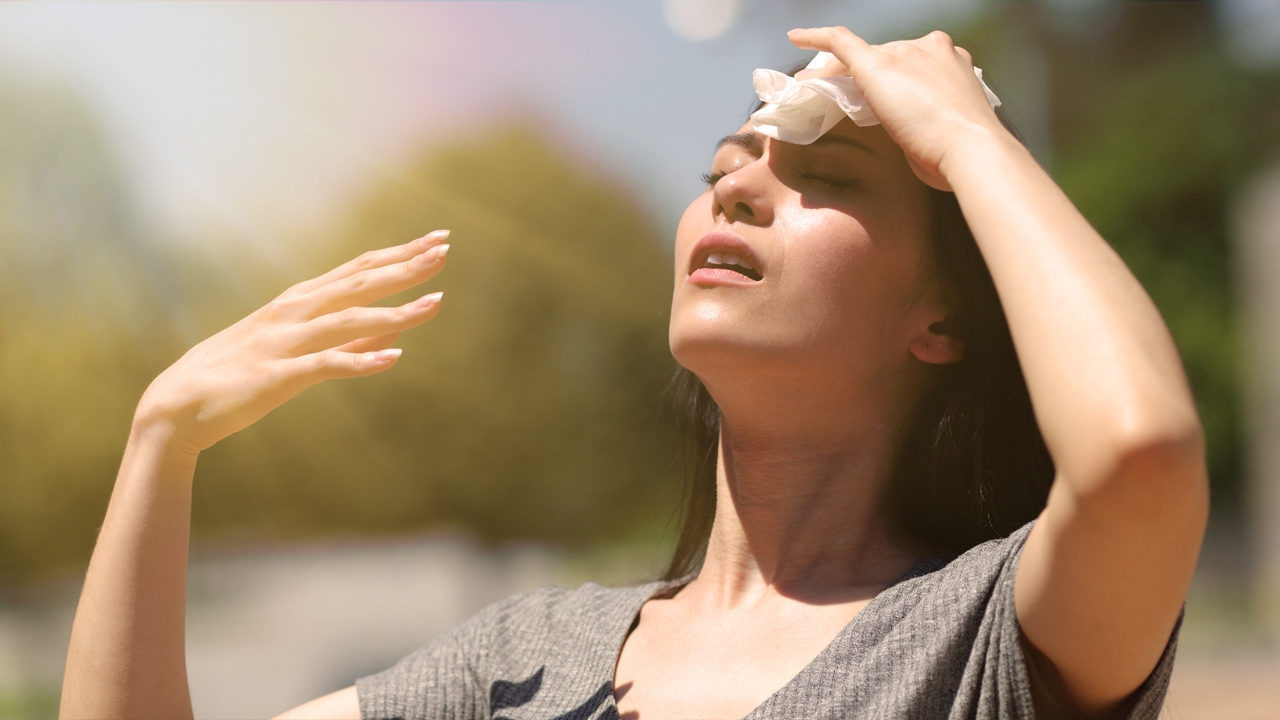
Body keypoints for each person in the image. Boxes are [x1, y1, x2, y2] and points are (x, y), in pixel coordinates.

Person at [59, 27, 1206, 720]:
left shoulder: (982, 639)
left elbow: (1135, 455)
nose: (738, 189)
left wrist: (964, 134)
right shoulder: (520, 661)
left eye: (836, 179)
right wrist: (162, 444)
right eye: (722, 166)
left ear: (942, 323)